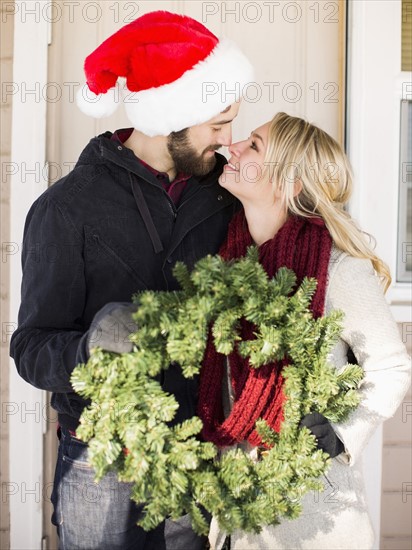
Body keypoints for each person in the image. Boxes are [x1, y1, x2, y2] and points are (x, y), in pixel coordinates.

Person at [9, 10, 253, 550]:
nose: (227, 139)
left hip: (196, 447)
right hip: (100, 456)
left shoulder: (222, 197)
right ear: (172, 117)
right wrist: (93, 348)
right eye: (217, 124)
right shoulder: (66, 209)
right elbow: (30, 348)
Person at [197, 112, 411, 550]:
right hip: (237, 510)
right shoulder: (228, 264)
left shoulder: (338, 269)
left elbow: (391, 368)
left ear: (290, 183)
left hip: (313, 518)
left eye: (253, 145)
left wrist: (342, 432)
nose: (232, 147)